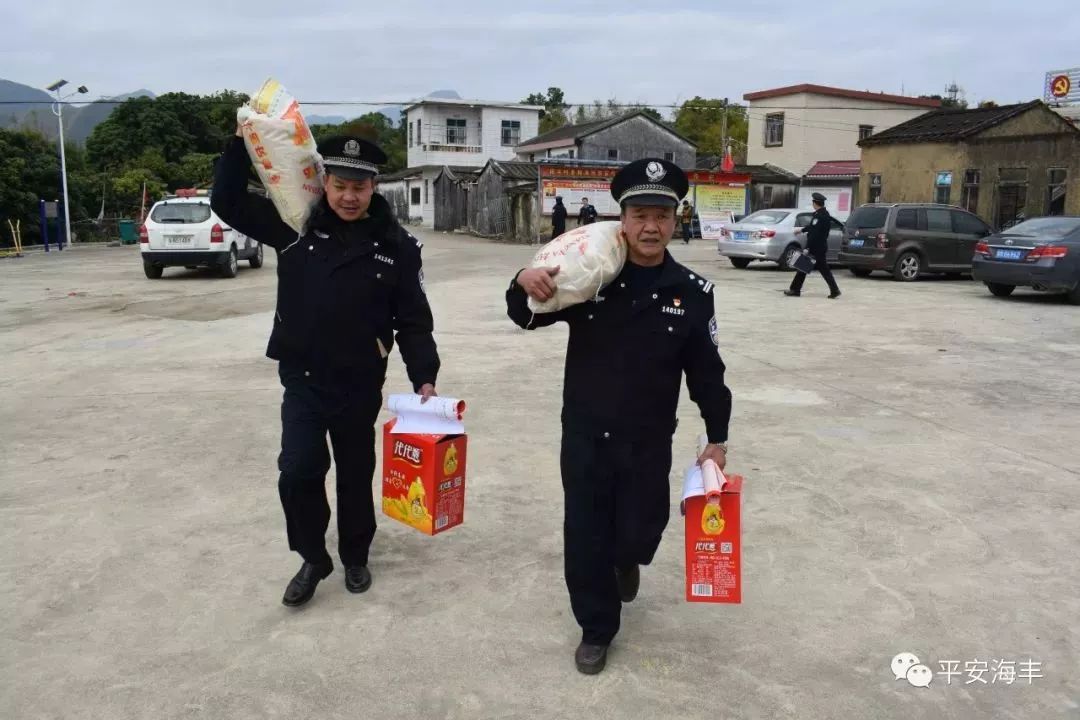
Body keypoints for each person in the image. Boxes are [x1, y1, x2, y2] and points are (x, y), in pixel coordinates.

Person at [505, 158, 733, 675]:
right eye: (638, 215)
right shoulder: (591, 277)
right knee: (585, 532)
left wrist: (717, 437)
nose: (650, 227)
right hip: (586, 435)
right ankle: (596, 627)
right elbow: (524, 315)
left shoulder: (693, 294)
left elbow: (707, 373)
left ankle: (627, 557)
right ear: (621, 219)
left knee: (640, 530)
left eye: (661, 215)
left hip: (648, 441)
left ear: (676, 220)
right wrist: (523, 278)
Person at [211, 129, 440, 608]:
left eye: (359, 187)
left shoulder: (396, 246)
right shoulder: (294, 228)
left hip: (359, 383)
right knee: (297, 471)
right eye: (340, 186)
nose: (349, 197)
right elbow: (228, 202)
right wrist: (238, 147)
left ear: (373, 187)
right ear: (324, 183)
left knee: (355, 474)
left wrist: (424, 374)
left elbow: (413, 320)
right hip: (304, 380)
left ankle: (356, 555)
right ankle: (313, 556)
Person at [786, 192, 841, 299]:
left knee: (805, 267)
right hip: (820, 246)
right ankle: (834, 290)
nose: (812, 204)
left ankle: (795, 290)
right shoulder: (824, 214)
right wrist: (802, 230)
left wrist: (807, 247)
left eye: (813, 202)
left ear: (815, 203)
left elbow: (814, 234)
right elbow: (812, 228)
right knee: (809, 268)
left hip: (816, 248)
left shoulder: (819, 216)